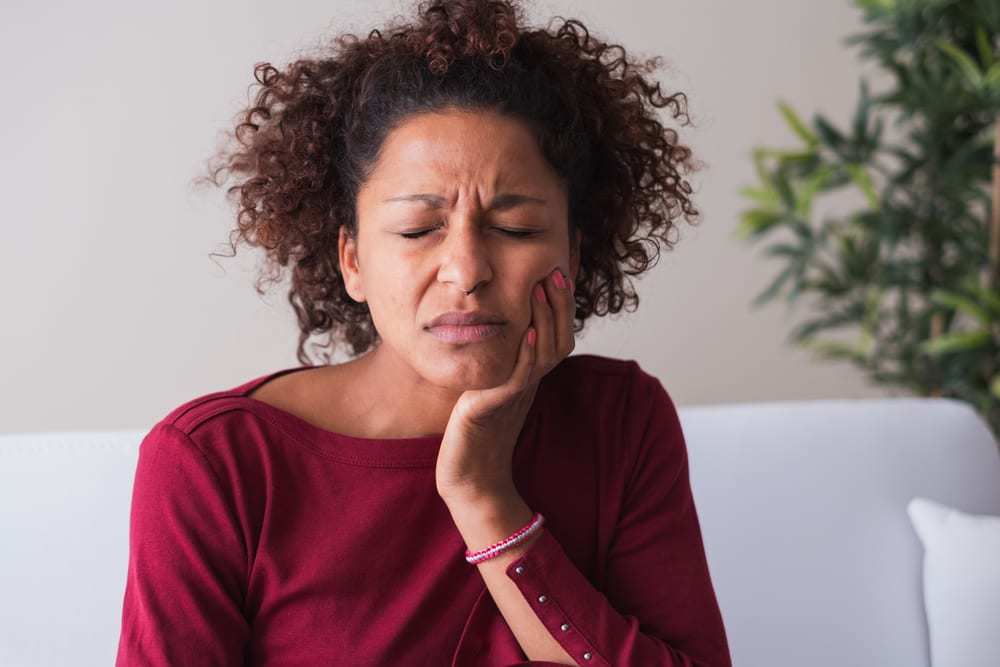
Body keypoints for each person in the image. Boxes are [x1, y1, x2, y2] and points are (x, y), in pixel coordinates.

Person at [115, 0, 731, 665]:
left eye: (516, 228)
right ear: (351, 258)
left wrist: (484, 494)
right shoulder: (217, 465)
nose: (465, 271)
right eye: (417, 230)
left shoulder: (620, 422)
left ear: (573, 257)